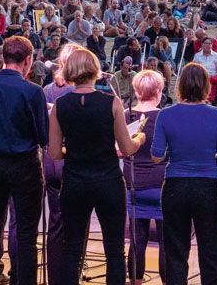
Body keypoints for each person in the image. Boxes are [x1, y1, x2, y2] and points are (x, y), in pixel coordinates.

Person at [48, 47, 146, 285]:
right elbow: (126, 149)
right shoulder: (111, 102)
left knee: (71, 249)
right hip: (108, 182)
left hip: (74, 183)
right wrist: (140, 138)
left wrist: (74, 149)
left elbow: (54, 153)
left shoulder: (60, 105)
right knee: (114, 250)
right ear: (95, 70)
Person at [0, 36, 49, 285]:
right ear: (28, 60)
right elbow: (43, 136)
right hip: (25, 164)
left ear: (2, 57)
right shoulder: (33, 91)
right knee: (27, 234)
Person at [151, 63, 217, 285]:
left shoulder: (166, 115)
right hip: (207, 185)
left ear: (180, 85)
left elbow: (156, 156)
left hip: (175, 185)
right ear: (205, 86)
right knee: (212, 252)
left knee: (176, 251)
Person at [42, 43, 82, 285]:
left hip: (50, 158)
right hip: (71, 158)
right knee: (75, 223)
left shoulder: (47, 89)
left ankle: (55, 278)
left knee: (56, 222)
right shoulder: (77, 92)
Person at [124, 70, 168, 285]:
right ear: (158, 91)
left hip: (134, 184)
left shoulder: (125, 115)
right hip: (161, 185)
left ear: (136, 90)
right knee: (166, 242)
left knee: (137, 240)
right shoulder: (165, 116)